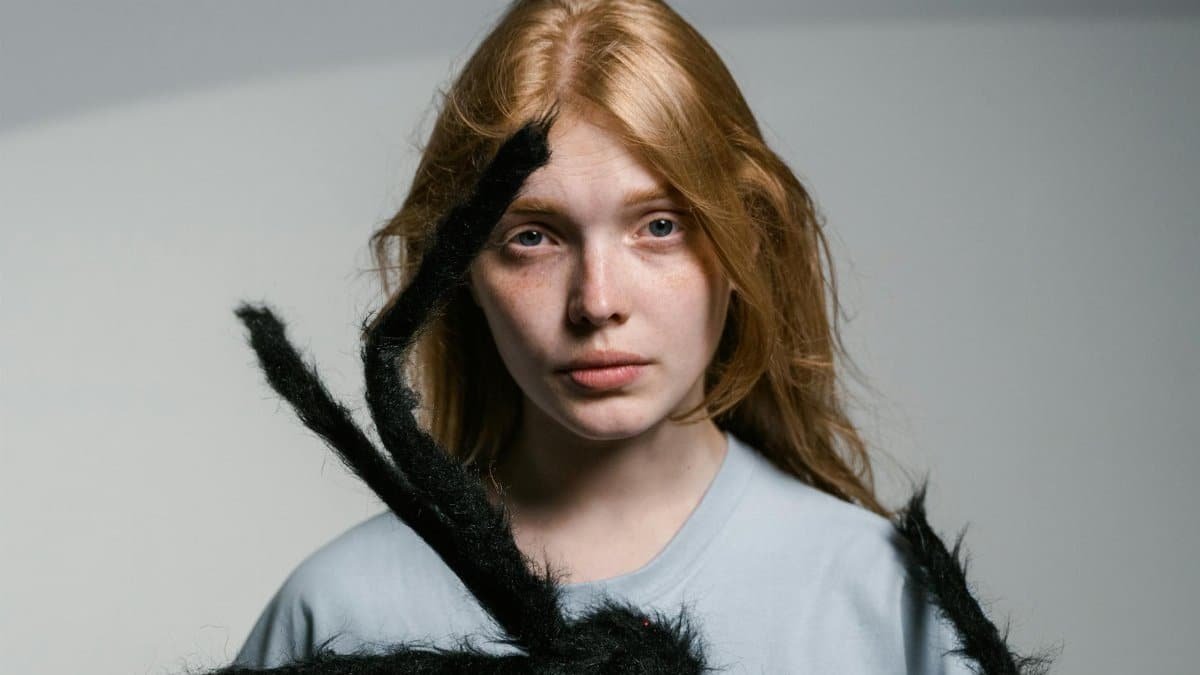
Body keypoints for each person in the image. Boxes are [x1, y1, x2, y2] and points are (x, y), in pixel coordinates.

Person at [232, 0, 981, 671]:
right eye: (533, 236)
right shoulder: (337, 614)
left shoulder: (886, 601)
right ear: (459, 272)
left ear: (742, 239)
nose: (597, 301)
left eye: (660, 226)